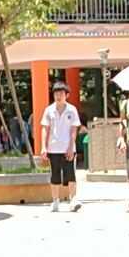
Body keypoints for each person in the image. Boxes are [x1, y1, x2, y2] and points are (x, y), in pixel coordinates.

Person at [41, 81, 83, 212]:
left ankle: (73, 200)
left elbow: (74, 129)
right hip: (53, 148)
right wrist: (43, 147)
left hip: (68, 148)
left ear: (67, 95)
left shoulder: (72, 110)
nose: (58, 96)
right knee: (55, 175)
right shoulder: (49, 110)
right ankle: (55, 201)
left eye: (61, 94)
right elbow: (45, 128)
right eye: (56, 94)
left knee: (71, 175)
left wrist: (71, 147)